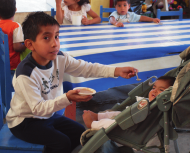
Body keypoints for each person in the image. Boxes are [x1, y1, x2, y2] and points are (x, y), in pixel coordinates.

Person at [6, 12, 138, 153]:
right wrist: (67, 98)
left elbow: (86, 68)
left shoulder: (60, 58)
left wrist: (116, 71)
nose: (54, 43)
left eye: (56, 36)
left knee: (80, 133)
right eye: (46, 38)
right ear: (30, 44)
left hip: (47, 116)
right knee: (61, 143)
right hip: (25, 121)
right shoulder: (25, 74)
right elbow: (38, 109)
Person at [82, 76, 176, 129]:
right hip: (131, 119)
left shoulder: (158, 108)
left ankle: (93, 124)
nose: (154, 91)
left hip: (131, 129)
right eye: (154, 88)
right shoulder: (150, 102)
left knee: (114, 123)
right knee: (119, 114)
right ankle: (98, 116)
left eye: (161, 90)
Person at [0, 0, 26, 77]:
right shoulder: (15, 26)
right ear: (15, 9)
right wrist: (26, 45)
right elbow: (17, 47)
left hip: (1, 62)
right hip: (13, 65)